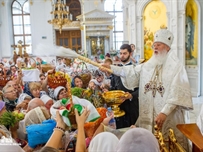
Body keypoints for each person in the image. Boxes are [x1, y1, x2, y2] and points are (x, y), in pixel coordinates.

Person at [100, 29, 193, 150]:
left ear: (167, 47)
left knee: (169, 144)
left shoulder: (177, 67)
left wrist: (164, 112)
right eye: (154, 45)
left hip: (167, 116)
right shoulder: (150, 64)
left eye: (158, 45)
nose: (155, 47)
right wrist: (111, 68)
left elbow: (177, 93)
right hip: (149, 114)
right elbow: (131, 72)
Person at [110, 44, 139, 129]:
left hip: (131, 107)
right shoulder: (116, 69)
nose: (122, 56)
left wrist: (131, 95)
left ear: (130, 54)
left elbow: (141, 89)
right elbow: (114, 87)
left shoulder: (135, 69)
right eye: (121, 53)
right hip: (118, 107)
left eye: (124, 53)